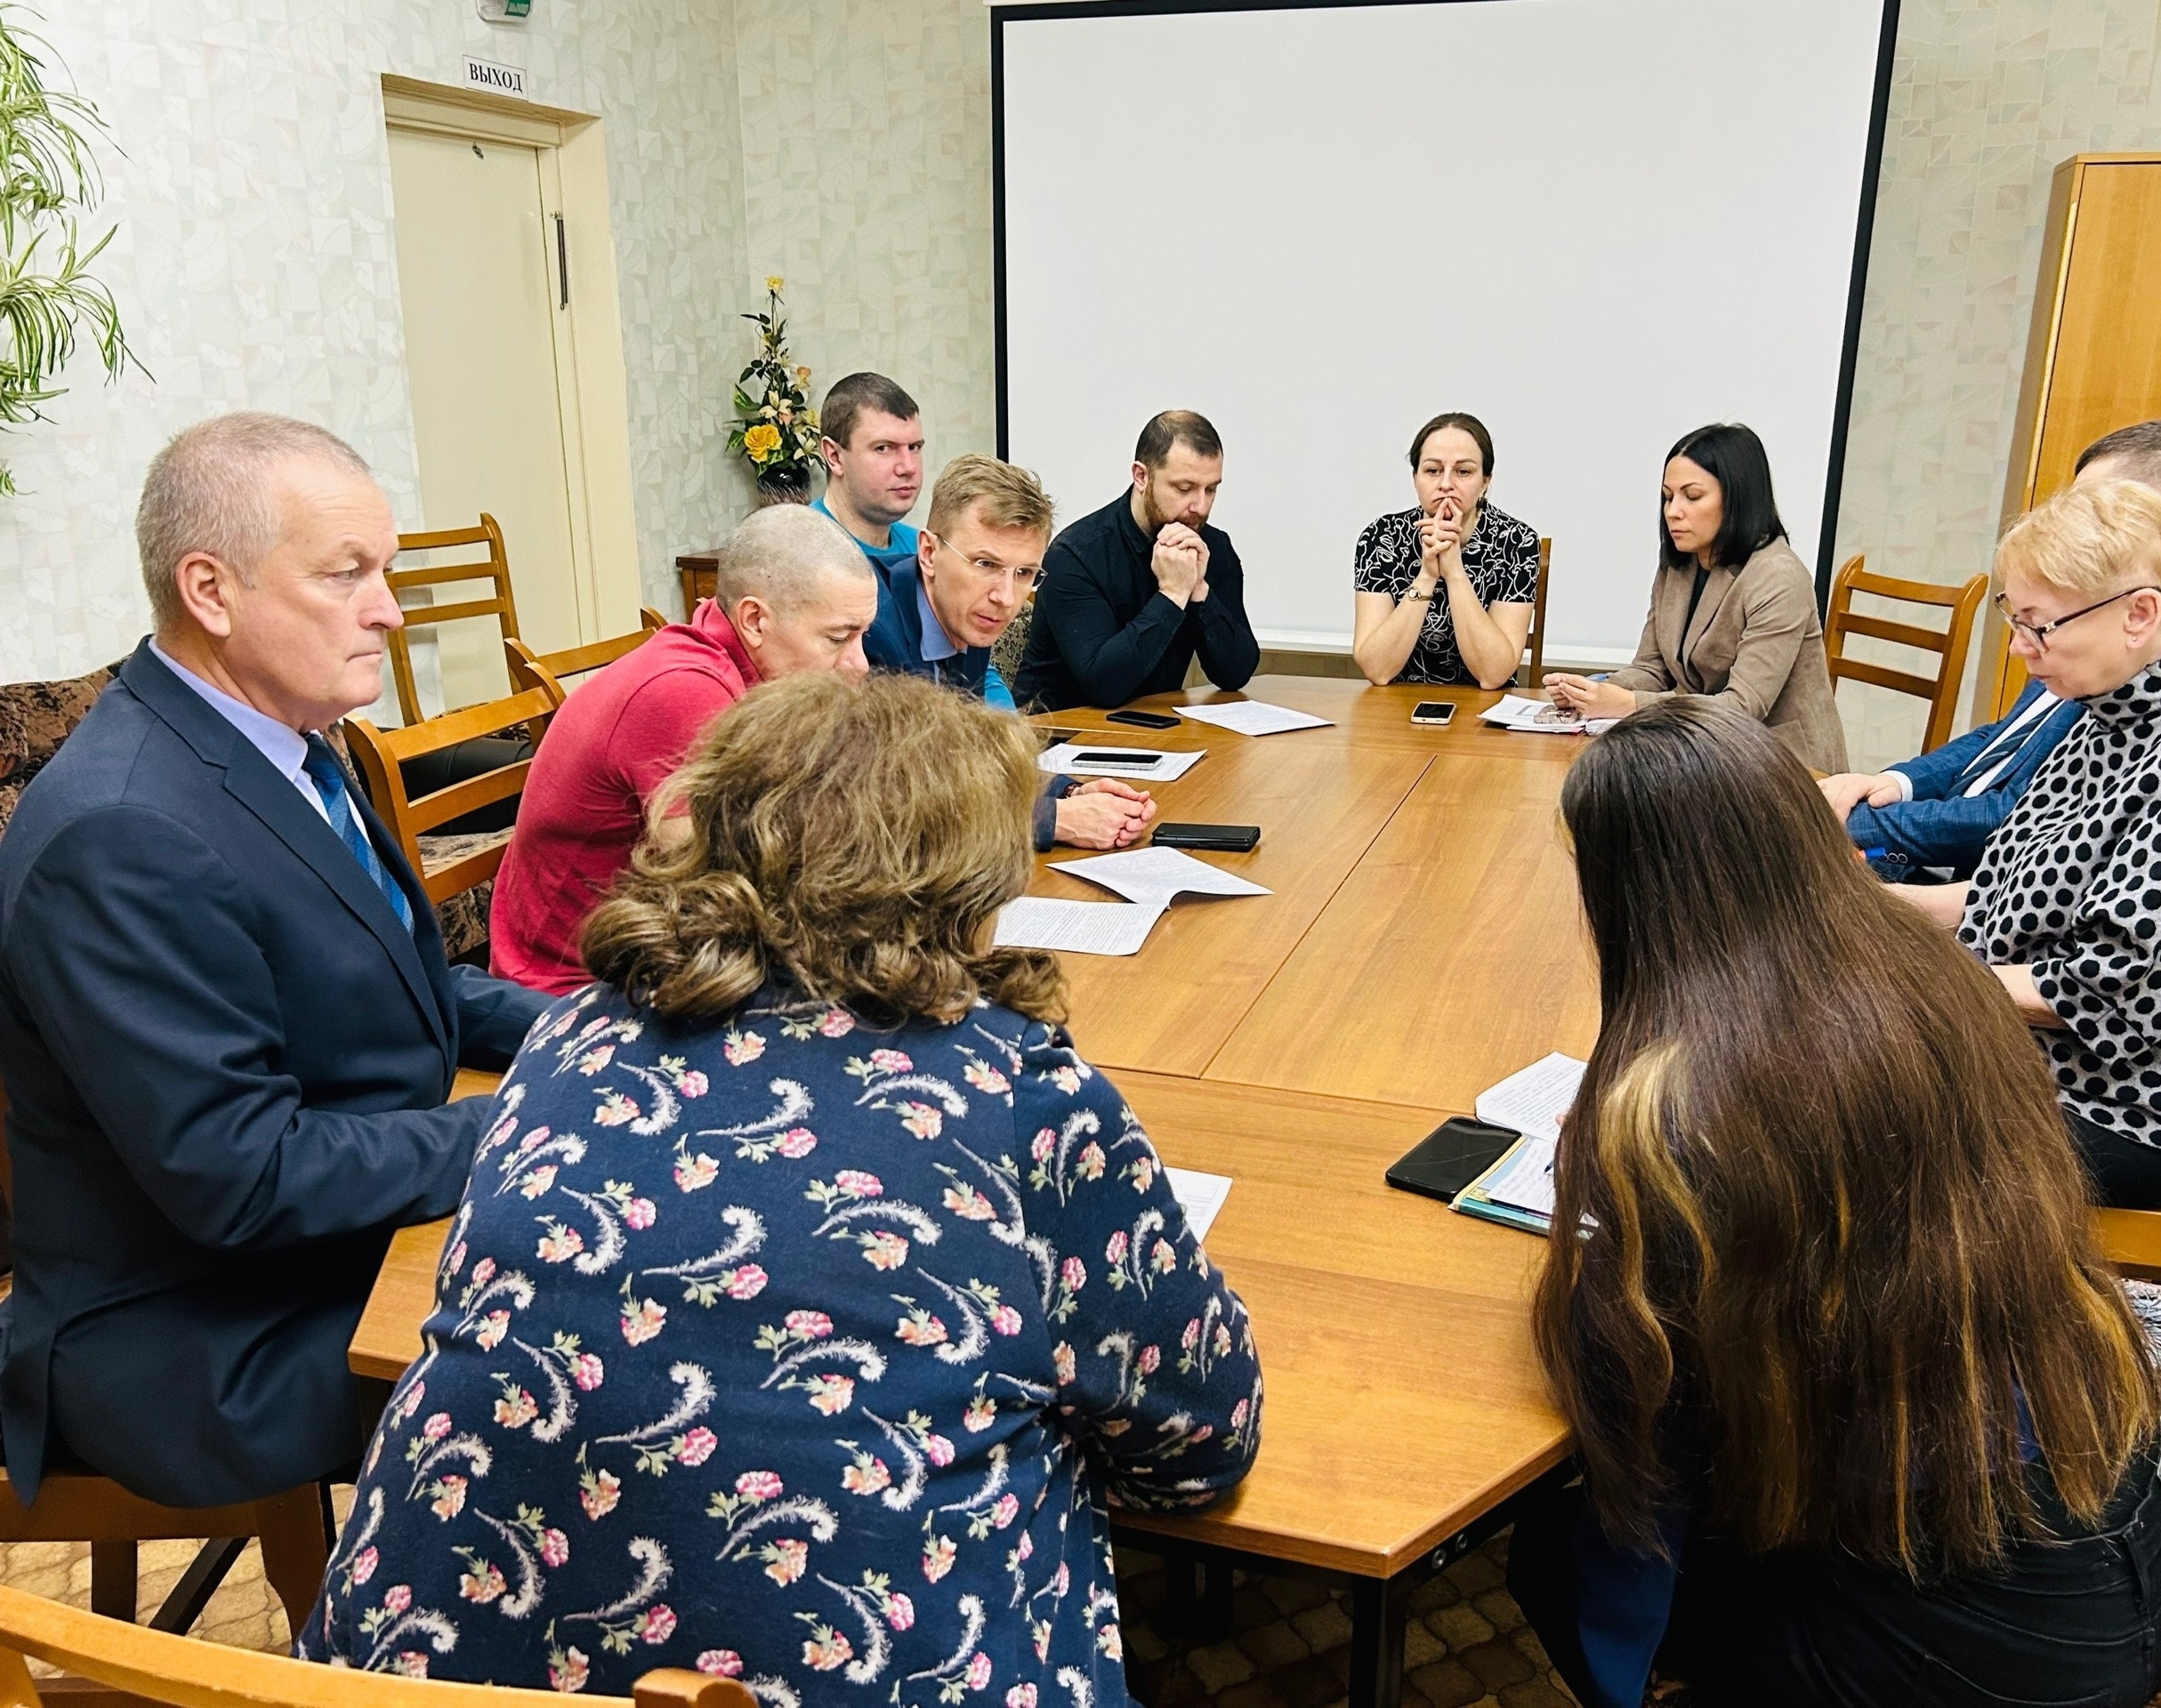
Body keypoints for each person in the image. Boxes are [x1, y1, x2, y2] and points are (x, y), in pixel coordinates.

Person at [300, 672, 1263, 1701]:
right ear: (968, 885)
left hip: (419, 1672)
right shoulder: (1023, 1099)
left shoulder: (569, 1037)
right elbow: (1201, 1444)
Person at [1509, 696, 2161, 1708]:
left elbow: (1642, 1415)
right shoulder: (1933, 979)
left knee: (1545, 1550)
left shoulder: (1678, 1107)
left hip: (1994, 1643)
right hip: (2140, 1528)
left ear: (1627, 893)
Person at [0, 414, 552, 1508]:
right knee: (590, 1359)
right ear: (211, 592)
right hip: (198, 1328)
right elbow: (241, 1175)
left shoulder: (287, 734)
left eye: (384, 571)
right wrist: (512, 1127)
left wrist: (590, 1033)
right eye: (346, 574)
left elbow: (395, 981)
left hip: (315, 1247)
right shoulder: (121, 833)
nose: (388, 610)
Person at [1892, 480, 2161, 1210]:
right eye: (2018, 622)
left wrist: (1906, 973)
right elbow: (2009, 895)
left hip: (2149, 1113)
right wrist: (1858, 906)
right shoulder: (2101, 717)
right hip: (2045, 1067)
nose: (2021, 649)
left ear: (2139, 614)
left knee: (1845, 1132)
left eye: (2041, 627)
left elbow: (2112, 992)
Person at [1825, 418, 2161, 881]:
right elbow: (2006, 737)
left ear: (2157, 518)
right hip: (1978, 881)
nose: (2021, 647)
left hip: (1990, 884)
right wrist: (1895, 785)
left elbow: (2032, 822)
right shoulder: (2086, 618)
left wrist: (1854, 826)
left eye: (2090, 513)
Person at [490, 506, 876, 996]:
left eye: (863, 635)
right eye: (839, 638)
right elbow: (720, 891)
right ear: (754, 620)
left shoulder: (751, 670)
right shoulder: (683, 690)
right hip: (569, 986)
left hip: (654, 955)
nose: (859, 664)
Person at [866, 453, 1157, 853]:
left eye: (1024, 574)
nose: (1005, 598)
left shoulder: (964, 615)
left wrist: (1067, 792)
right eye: (986, 563)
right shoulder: (869, 627)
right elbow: (889, 806)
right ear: (929, 553)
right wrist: (1051, 820)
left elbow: (966, 766)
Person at [1544, 423, 1846, 772]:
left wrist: (1627, 704)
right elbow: (1652, 667)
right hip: (1699, 752)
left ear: (1736, 498)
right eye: (1668, 497)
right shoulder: (1680, 564)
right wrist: (1593, 692)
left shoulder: (1778, 576)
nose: (1673, 511)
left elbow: (1742, 709)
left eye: (1692, 496)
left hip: (1782, 765)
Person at [1012, 411, 1260, 711]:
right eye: (1184, 488)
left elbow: (1236, 673)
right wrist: (1171, 595)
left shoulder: (1211, 546)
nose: (1200, 506)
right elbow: (1104, 687)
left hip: (1152, 729)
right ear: (1141, 476)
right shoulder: (1075, 555)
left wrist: (1199, 593)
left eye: (1211, 489)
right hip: (1058, 735)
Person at [1352, 413, 1539, 689]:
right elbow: (1377, 669)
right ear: (1415, 478)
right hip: (1396, 708)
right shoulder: (1381, 537)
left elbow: (1493, 675)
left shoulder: (1517, 541)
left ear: (1485, 481)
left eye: (1463, 472)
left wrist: (1454, 573)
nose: (1446, 484)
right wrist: (1426, 576)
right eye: (1432, 470)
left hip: (1485, 713)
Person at [812, 371, 924, 567]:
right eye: (883, 448)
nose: (908, 467)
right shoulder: (800, 554)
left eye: (914, 447)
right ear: (835, 457)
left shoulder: (922, 552)